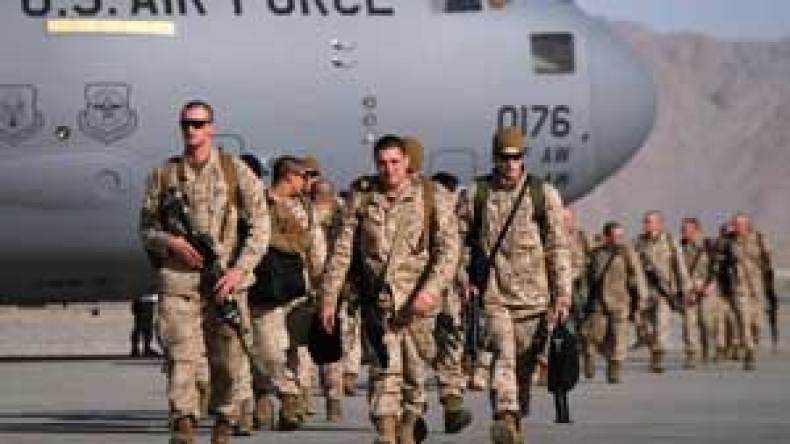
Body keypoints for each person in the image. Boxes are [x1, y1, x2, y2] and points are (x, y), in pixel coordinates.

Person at [139, 100, 269, 444]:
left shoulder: (234, 171)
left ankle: (225, 417)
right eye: (186, 124)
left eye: (198, 124)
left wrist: (240, 269)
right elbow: (146, 229)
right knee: (180, 355)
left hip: (224, 280)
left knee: (227, 357)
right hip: (179, 281)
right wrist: (171, 243)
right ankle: (184, 421)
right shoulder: (164, 175)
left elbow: (261, 224)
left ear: (211, 127)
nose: (191, 130)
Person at [319, 135, 459, 444]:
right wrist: (329, 299)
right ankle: (385, 432)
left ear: (407, 162)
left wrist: (430, 292)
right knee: (384, 372)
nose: (389, 169)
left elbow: (448, 251)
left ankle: (408, 425)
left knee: (413, 378)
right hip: (378, 303)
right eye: (382, 163)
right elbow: (341, 253)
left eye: (395, 162)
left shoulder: (431, 196)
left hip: (417, 306)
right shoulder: (362, 198)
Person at [466, 127, 571, 444]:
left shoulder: (543, 194)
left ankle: (515, 422)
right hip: (494, 296)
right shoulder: (478, 194)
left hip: (534, 300)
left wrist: (562, 295)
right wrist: (465, 280)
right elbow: (457, 242)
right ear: (495, 158)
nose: (511, 164)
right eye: (504, 157)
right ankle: (505, 415)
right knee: (503, 356)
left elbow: (557, 247)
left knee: (523, 369)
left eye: (516, 157)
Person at [247, 156, 326, 431]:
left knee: (294, 349)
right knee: (266, 347)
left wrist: (321, 285)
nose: (307, 182)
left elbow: (315, 247)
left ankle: (291, 404)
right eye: (304, 177)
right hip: (266, 286)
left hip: (297, 287)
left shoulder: (305, 208)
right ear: (289, 177)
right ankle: (279, 394)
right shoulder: (258, 203)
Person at [582, 221, 647, 383]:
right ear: (607, 236)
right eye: (615, 236)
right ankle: (589, 357)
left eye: (621, 236)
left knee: (619, 338)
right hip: (598, 303)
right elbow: (586, 277)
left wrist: (641, 298)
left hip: (620, 302)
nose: (619, 239)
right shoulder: (595, 254)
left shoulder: (627, 253)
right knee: (592, 336)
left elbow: (638, 275)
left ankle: (614, 368)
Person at [634, 210, 692, 373]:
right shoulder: (639, 243)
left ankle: (658, 356)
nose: (647, 225)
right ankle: (653, 348)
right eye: (645, 221)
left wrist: (685, 288)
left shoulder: (670, 241)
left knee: (662, 324)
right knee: (645, 327)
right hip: (645, 292)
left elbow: (680, 266)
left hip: (664, 291)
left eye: (650, 221)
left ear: (659, 224)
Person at [726, 212, 774, 370]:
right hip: (740, 287)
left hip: (757, 287)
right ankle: (749, 350)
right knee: (744, 319)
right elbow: (720, 263)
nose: (738, 226)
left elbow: (768, 263)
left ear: (748, 224)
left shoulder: (759, 238)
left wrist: (769, 286)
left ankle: (753, 342)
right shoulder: (729, 241)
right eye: (736, 223)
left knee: (757, 324)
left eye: (741, 223)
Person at [679, 218, 721, 365]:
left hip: (708, 288)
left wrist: (710, 285)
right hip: (689, 289)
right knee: (689, 323)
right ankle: (691, 354)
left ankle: (709, 347)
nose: (683, 231)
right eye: (682, 229)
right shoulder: (680, 247)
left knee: (706, 321)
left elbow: (717, 267)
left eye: (686, 229)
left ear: (696, 230)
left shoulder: (709, 245)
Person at [130, 291, 161, 357]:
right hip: (144, 301)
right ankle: (142, 349)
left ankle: (139, 349)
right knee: (143, 326)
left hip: (144, 300)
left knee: (143, 326)